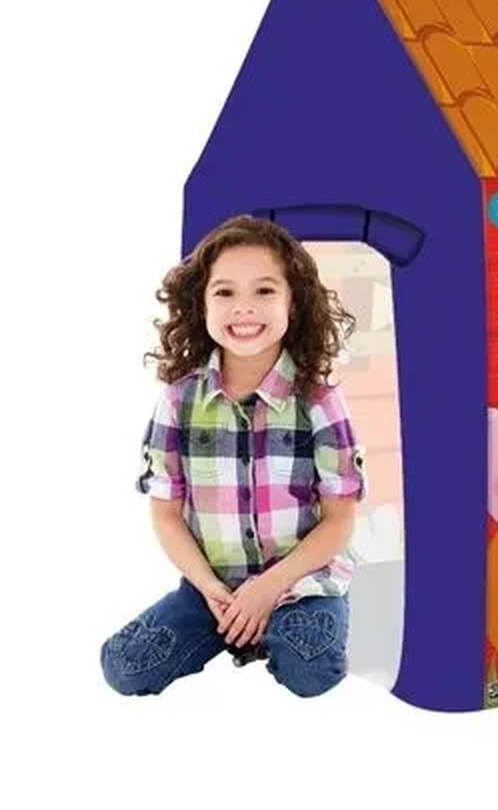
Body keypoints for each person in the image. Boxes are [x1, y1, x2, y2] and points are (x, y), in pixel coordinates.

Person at [100, 214, 366, 697]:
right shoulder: (178, 402)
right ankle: (234, 628)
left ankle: (274, 631)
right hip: (213, 590)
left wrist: (267, 589)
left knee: (311, 672)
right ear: (200, 304)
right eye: (225, 292)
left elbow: (339, 520)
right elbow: (165, 515)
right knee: (125, 667)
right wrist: (209, 588)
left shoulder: (320, 401)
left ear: (293, 302)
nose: (244, 307)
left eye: (264, 290)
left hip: (299, 584)